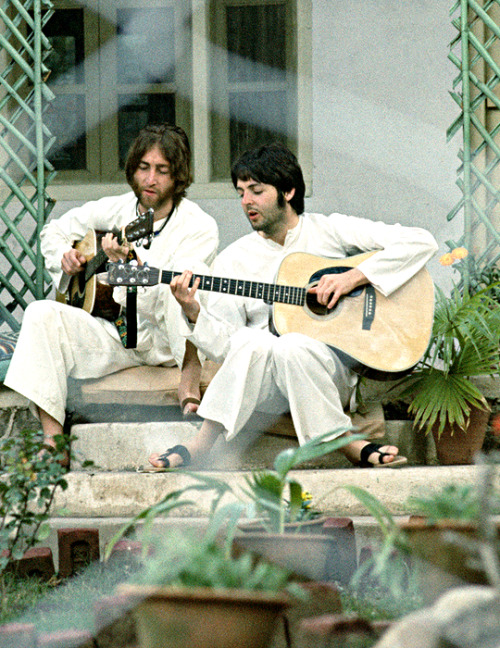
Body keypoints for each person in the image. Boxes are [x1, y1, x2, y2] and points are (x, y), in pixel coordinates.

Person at [148, 142, 438, 470]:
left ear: (288, 190)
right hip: (264, 382)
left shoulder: (329, 231)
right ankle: (345, 443)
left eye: (256, 191)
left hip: (326, 374)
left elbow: (421, 241)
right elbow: (225, 349)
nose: (246, 202)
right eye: (241, 192)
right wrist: (192, 311)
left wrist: (353, 278)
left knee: (293, 345)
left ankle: (339, 442)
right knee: (258, 342)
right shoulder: (234, 260)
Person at [5, 123, 219, 462]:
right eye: (144, 168)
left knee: (188, 281)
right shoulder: (117, 208)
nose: (150, 180)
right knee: (41, 312)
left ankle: (188, 382)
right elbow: (55, 230)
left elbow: (171, 295)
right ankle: (53, 443)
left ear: (178, 176)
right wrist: (66, 258)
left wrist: (131, 262)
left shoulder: (199, 226)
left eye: (162, 171)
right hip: (118, 335)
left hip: (165, 340)